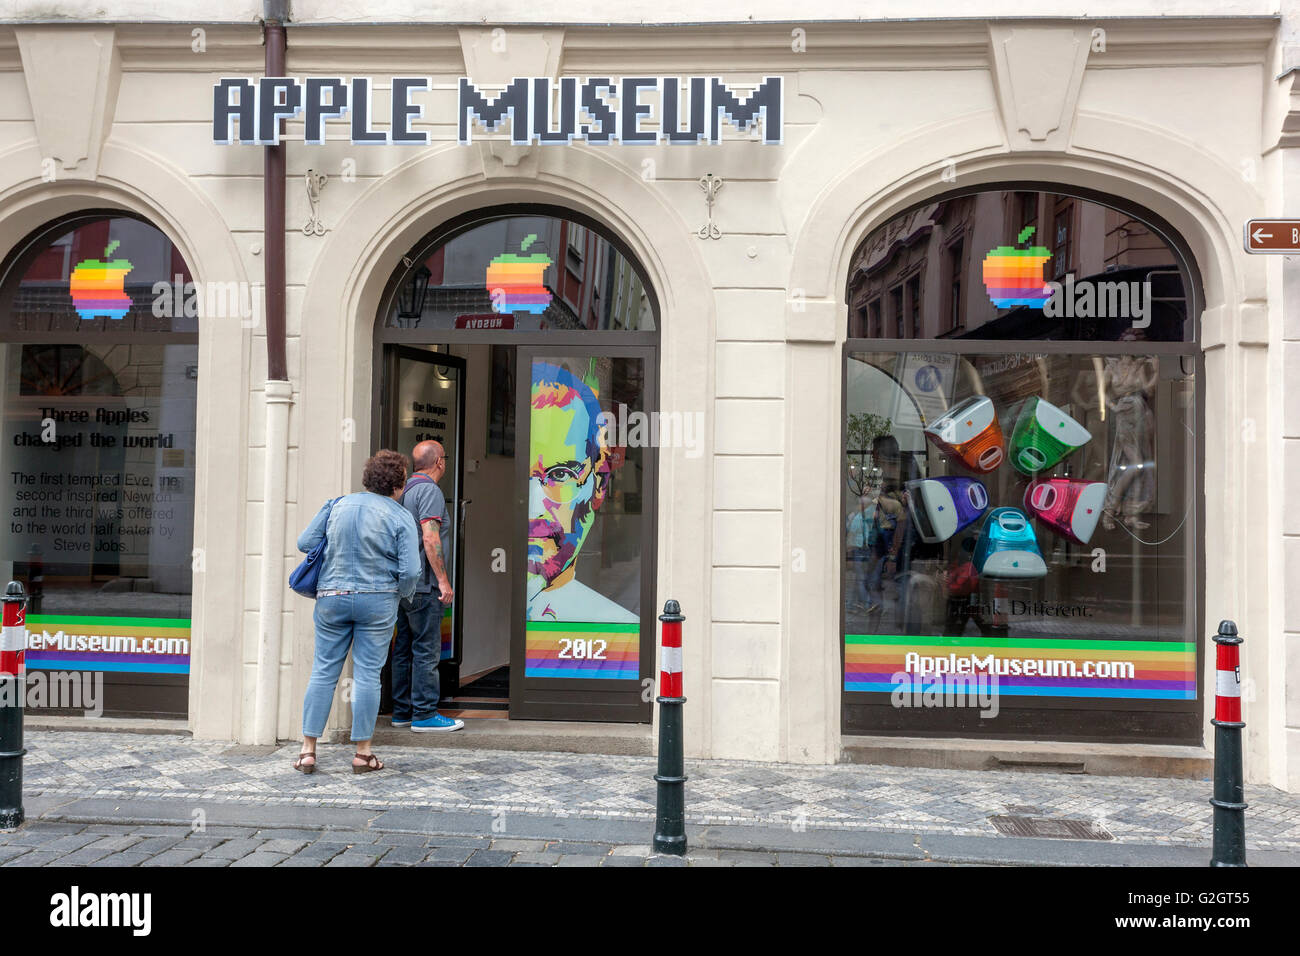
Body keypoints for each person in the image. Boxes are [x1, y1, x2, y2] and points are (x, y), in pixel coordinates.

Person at [292, 449, 421, 774]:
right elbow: (409, 572)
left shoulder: (337, 504)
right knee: (367, 675)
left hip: (332, 597)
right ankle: (363, 754)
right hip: (377, 600)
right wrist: (401, 596)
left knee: (323, 671)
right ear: (398, 484)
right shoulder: (400, 515)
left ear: (368, 479)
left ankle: (308, 751)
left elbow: (305, 542)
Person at [527, 362, 637, 623]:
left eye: (560, 474)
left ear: (599, 484)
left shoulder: (620, 629)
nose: (533, 506)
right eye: (524, 477)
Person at [391, 439, 463, 733]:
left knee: (403, 648)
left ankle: (401, 712)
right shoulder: (430, 491)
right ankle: (424, 714)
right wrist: (443, 581)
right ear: (440, 463)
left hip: (403, 585)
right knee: (426, 650)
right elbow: (430, 538)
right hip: (425, 585)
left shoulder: (402, 490)